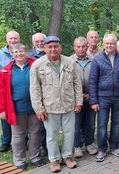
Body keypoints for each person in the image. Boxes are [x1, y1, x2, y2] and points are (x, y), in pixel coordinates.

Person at [30, 36, 83, 173]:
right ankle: (54, 160)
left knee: (69, 133)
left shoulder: (70, 62)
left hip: (68, 105)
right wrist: (38, 108)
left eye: (55, 46)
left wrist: (78, 102)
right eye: (50, 47)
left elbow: (77, 84)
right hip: (49, 107)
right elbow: (34, 88)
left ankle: (68, 157)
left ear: (60, 47)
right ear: (44, 48)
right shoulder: (37, 65)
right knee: (51, 135)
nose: (53, 49)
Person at [89, 34, 119, 162]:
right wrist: (94, 100)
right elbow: (93, 82)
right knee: (102, 124)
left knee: (117, 123)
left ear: (115, 45)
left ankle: (114, 146)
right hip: (103, 97)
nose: (109, 45)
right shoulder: (97, 59)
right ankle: (102, 149)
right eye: (107, 43)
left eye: (111, 43)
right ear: (103, 44)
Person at [0, 44, 43, 170]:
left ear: (26, 52)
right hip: (16, 109)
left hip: (35, 108)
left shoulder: (35, 64)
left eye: (21, 51)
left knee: (35, 133)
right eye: (16, 52)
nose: (19, 54)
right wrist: (2, 109)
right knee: (18, 136)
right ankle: (19, 160)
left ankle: (35, 157)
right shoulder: (6, 70)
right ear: (12, 54)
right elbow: (1, 91)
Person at [70, 37, 97, 158]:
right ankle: (77, 146)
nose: (80, 49)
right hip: (75, 99)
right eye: (78, 46)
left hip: (91, 97)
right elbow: (66, 82)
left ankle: (89, 143)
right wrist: (79, 95)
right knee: (76, 124)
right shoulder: (69, 61)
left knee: (90, 123)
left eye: (83, 46)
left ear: (87, 47)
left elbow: (98, 79)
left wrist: (92, 94)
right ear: (74, 47)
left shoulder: (94, 60)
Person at [0, 30, 20, 152]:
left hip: (18, 89)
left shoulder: (22, 51)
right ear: (7, 40)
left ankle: (23, 140)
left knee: (21, 116)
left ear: (19, 39)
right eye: (10, 38)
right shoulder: (1, 54)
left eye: (15, 38)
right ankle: (6, 141)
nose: (13, 40)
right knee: (5, 117)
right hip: (4, 89)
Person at [28, 32, 47, 157]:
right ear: (33, 42)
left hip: (48, 94)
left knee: (46, 123)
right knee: (35, 124)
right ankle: (35, 147)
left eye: (42, 41)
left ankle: (44, 145)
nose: (39, 43)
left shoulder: (50, 52)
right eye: (37, 41)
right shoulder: (28, 56)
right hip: (34, 93)